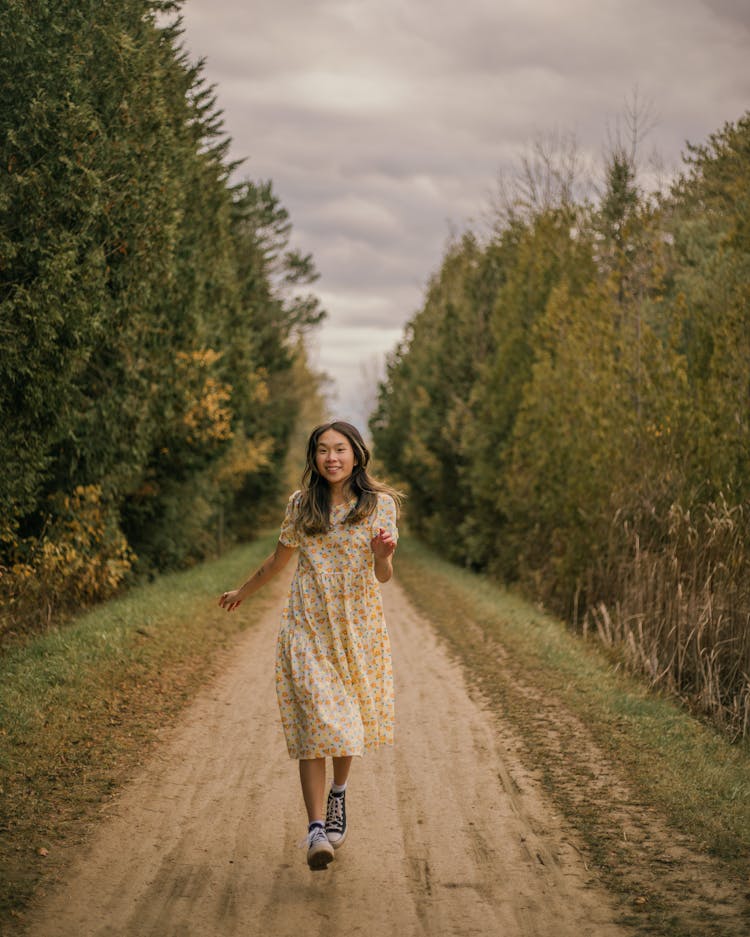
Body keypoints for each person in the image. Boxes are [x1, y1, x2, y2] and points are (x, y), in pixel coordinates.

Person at [218, 420, 401, 871]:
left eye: (340, 449)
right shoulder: (302, 505)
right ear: (314, 458)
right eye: (323, 450)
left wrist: (382, 555)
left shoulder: (380, 506)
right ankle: (316, 828)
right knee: (318, 719)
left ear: (356, 455)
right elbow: (278, 560)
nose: (331, 457)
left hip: (357, 630)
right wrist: (242, 591)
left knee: (345, 723)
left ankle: (339, 793)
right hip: (307, 627)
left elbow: (384, 575)